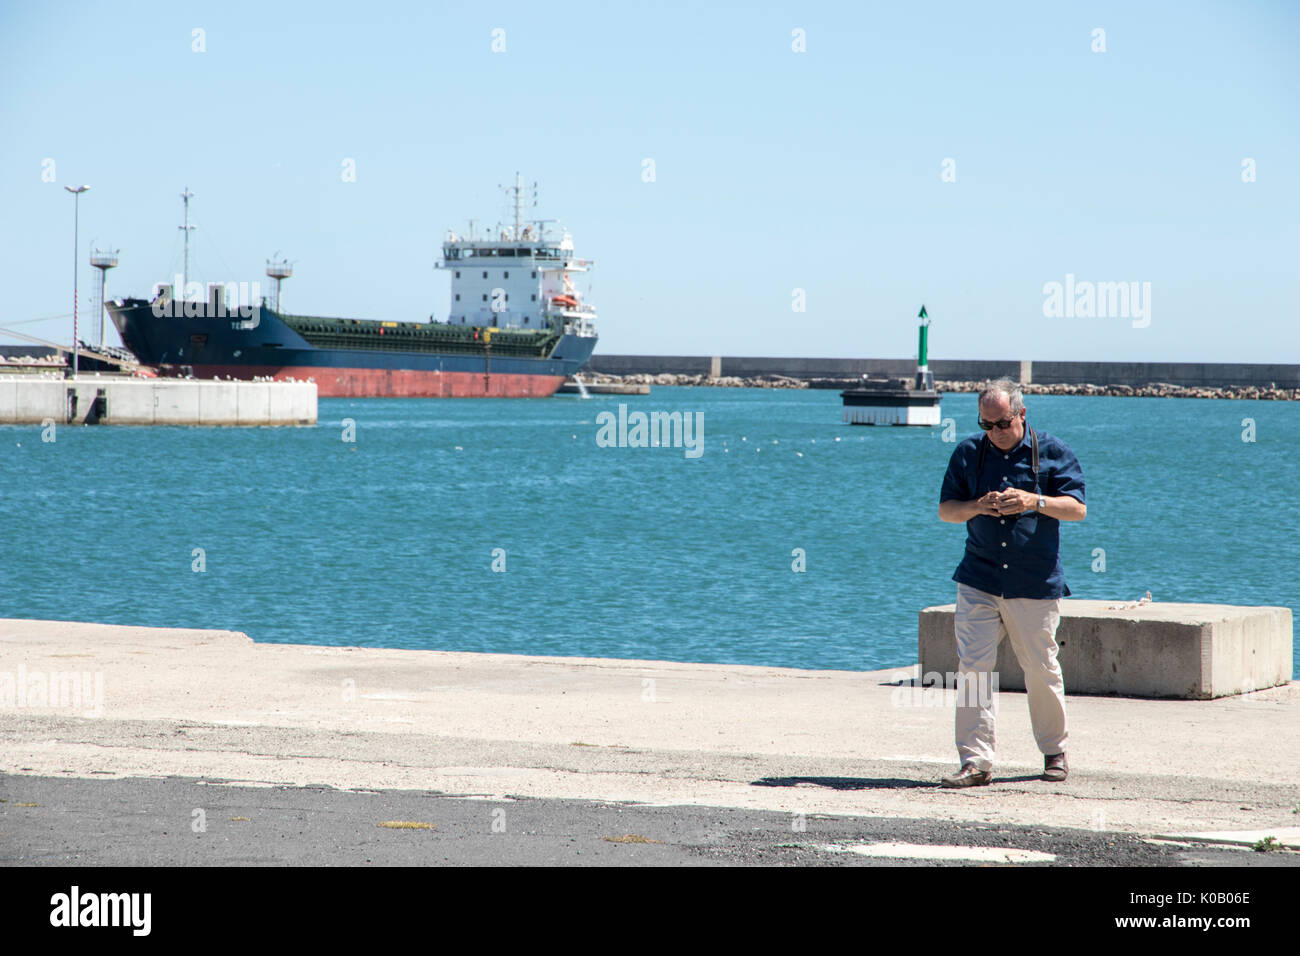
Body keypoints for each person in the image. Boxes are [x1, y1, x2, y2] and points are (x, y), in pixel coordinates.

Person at [936, 378, 1086, 787]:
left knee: (1040, 669)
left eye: (1001, 423)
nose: (994, 433)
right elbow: (946, 511)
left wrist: (1032, 500)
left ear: (1021, 415)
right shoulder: (968, 453)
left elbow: (1077, 510)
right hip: (979, 577)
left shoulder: (1052, 452)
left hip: (1033, 581)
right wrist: (976, 506)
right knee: (972, 671)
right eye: (986, 425)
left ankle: (1054, 752)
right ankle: (975, 762)